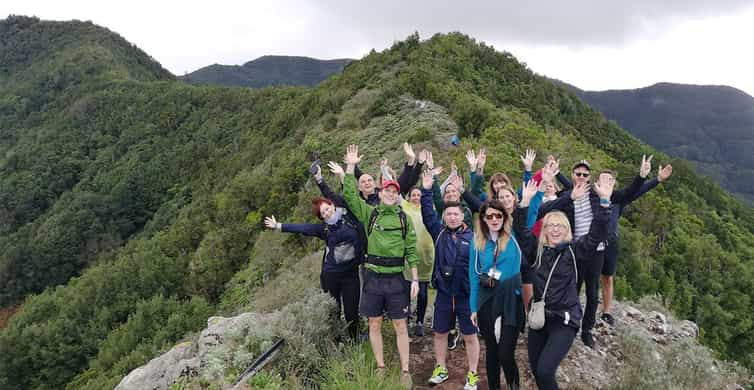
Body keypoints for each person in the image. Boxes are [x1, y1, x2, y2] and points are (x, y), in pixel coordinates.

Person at [537, 155, 649, 348]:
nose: (581, 176)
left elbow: (627, 194)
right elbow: (546, 209)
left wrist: (641, 176)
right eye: (578, 173)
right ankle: (569, 324)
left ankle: (587, 330)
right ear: (572, 175)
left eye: (585, 174)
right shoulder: (567, 195)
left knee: (592, 293)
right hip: (574, 252)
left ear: (589, 177)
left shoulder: (597, 194)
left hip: (596, 251)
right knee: (570, 289)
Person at [514, 175, 613, 390]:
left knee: (545, 370)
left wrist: (604, 202)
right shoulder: (536, 251)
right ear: (545, 229)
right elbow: (521, 233)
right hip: (539, 318)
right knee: (537, 370)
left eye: (560, 225)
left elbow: (596, 234)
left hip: (564, 320)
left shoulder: (575, 251)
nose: (555, 229)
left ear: (567, 229)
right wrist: (524, 204)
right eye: (550, 225)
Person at [342, 144, 419, 388]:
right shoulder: (370, 214)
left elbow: (411, 251)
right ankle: (380, 366)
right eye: (387, 190)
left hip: (396, 278)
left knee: (400, 324)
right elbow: (351, 197)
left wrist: (415, 279)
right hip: (373, 277)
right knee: (374, 323)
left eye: (394, 191)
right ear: (381, 192)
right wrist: (350, 167)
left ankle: (405, 370)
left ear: (398, 195)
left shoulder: (403, 219)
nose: (390, 193)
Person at [263, 196, 364, 340]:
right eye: (323, 214)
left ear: (332, 205)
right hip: (331, 276)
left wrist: (323, 179)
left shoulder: (350, 219)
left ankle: (355, 340)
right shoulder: (324, 229)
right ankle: (337, 342)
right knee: (333, 311)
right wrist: (278, 225)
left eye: (327, 209)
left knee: (351, 312)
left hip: (351, 274)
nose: (327, 214)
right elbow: (303, 227)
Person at [419, 172, 480, 390]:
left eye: (456, 213)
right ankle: (440, 368)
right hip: (444, 294)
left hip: (466, 296)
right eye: (449, 214)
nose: (453, 217)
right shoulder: (438, 233)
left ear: (463, 216)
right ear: (444, 216)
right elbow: (427, 214)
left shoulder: (473, 237)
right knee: (440, 333)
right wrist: (426, 190)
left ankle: (473, 374)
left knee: (471, 336)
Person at [600, 163, 673, 325]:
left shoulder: (618, 199)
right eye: (602, 178)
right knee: (584, 275)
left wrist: (657, 179)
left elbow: (636, 191)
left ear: (613, 183)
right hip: (591, 242)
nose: (606, 181)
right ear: (597, 183)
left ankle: (606, 311)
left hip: (610, 243)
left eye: (609, 179)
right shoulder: (591, 196)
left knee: (607, 278)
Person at [469, 199, 525, 390]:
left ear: (504, 217)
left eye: (498, 215)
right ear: (483, 219)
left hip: (511, 299)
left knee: (505, 354)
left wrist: (528, 196)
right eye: (489, 216)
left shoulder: (513, 236)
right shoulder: (477, 242)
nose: (494, 219)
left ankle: (513, 386)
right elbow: (474, 276)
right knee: (492, 352)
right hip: (487, 299)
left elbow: (529, 213)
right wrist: (473, 307)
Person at [401, 186, 435, 337]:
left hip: (426, 257)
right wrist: (384, 170)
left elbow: (435, 191)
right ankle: (406, 319)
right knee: (406, 291)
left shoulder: (428, 208)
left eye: (418, 195)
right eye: (413, 195)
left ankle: (420, 321)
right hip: (409, 257)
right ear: (408, 197)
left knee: (422, 292)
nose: (416, 197)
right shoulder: (405, 207)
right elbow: (394, 187)